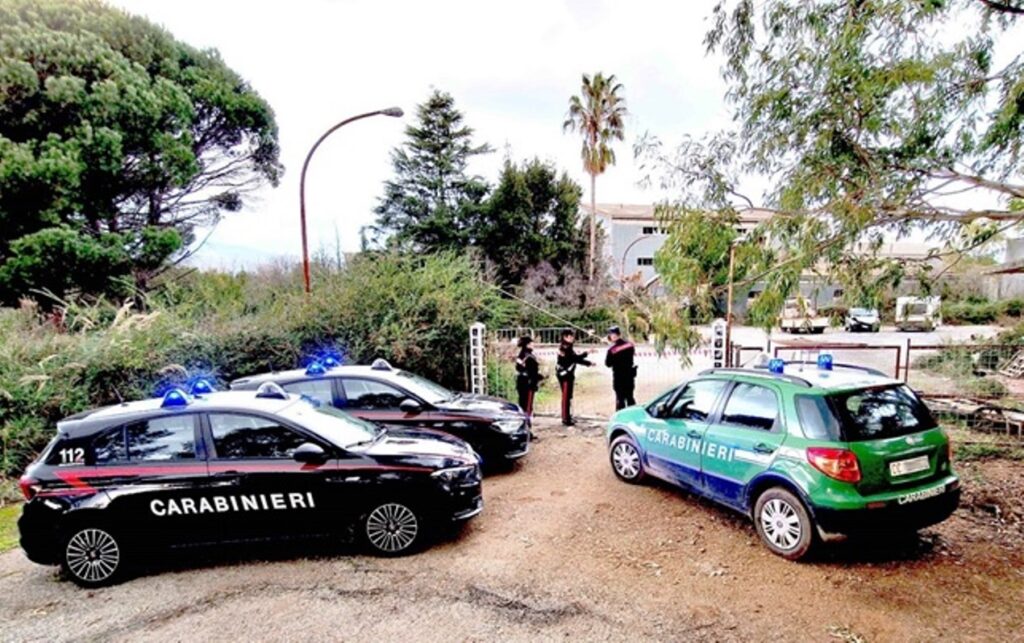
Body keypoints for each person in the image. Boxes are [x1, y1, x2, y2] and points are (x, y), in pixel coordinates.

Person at [556, 329, 592, 426]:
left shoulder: (568, 347)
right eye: (570, 336)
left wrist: (588, 361)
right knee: (566, 397)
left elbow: (575, 358)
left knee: (569, 396)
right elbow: (575, 359)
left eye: (572, 336)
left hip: (569, 374)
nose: (572, 338)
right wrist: (587, 356)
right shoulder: (564, 348)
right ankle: (565, 418)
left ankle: (569, 416)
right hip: (565, 375)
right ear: (565, 337)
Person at [605, 325, 636, 410]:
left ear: (612, 336)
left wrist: (612, 347)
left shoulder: (611, 350)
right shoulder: (630, 345)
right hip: (629, 375)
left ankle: (620, 418)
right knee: (630, 397)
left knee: (620, 399)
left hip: (619, 377)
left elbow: (608, 364)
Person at [515, 335, 542, 417]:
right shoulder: (529, 357)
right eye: (531, 344)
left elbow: (518, 367)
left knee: (522, 401)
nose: (533, 345)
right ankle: (526, 420)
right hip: (528, 381)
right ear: (527, 345)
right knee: (527, 403)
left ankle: (522, 416)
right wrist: (538, 378)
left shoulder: (521, 355)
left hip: (521, 380)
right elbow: (532, 371)